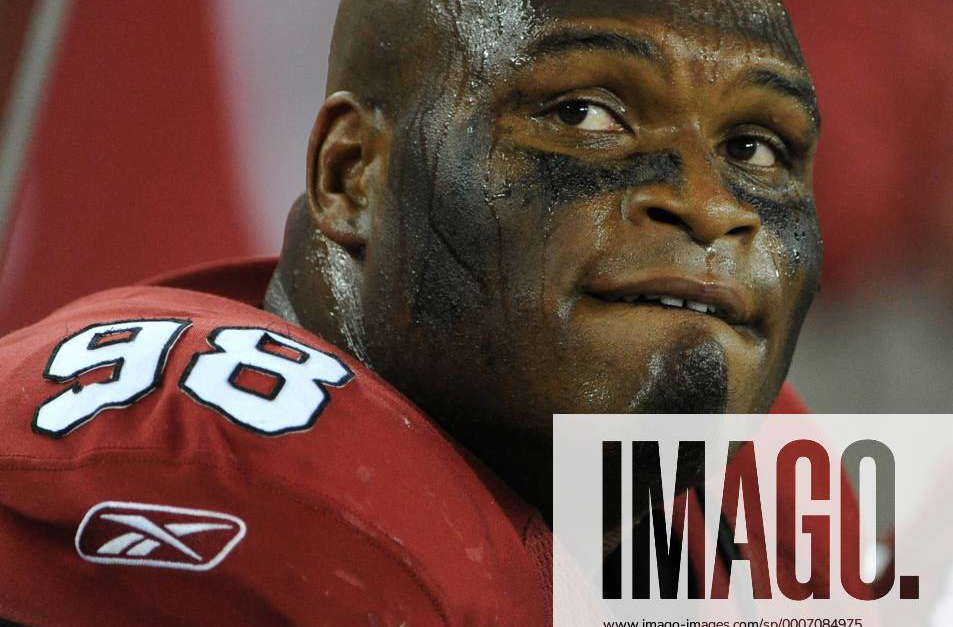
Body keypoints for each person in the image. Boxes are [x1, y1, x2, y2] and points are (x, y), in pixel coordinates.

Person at [0, 0, 825, 624]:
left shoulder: (761, 485)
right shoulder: (269, 497)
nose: (710, 205)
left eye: (756, 146)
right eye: (582, 115)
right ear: (352, 175)